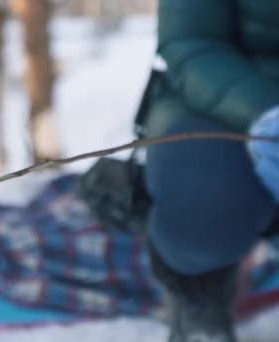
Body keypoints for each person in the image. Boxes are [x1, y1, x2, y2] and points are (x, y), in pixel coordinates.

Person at [139, 1, 279, 341]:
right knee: (199, 212)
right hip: (222, 101)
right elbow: (192, 40)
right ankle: (200, 293)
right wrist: (266, 115)